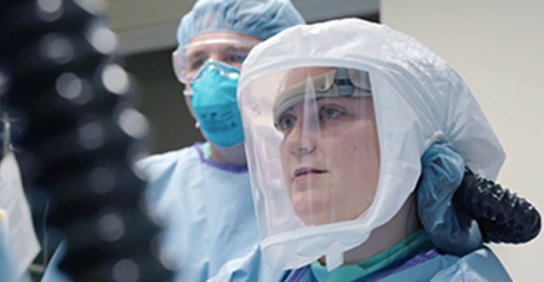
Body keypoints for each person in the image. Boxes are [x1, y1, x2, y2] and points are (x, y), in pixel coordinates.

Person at [40, 0, 305, 281]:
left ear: (285, 70)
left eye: (236, 56)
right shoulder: (134, 187)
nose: (211, 77)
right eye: (198, 62)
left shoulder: (319, 185)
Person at [236, 18, 514, 281]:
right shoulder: (260, 272)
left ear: (414, 141)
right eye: (287, 122)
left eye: (330, 112)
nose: (297, 142)